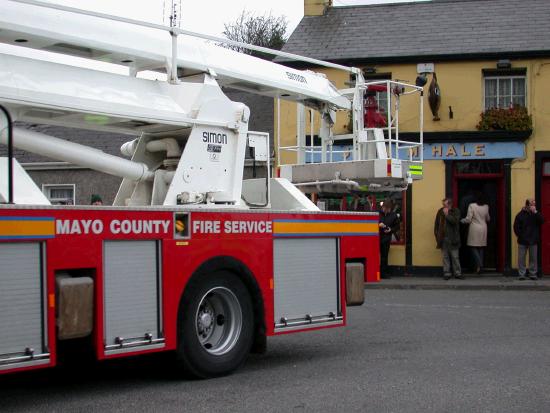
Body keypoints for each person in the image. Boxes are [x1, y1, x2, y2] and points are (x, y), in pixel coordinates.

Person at [513, 198, 544, 280]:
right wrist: (520, 235)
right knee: (521, 258)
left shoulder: (535, 214)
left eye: (534, 204)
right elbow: (516, 227)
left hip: (533, 239)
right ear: (527, 205)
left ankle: (532, 274)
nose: (534, 206)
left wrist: (536, 212)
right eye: (532, 204)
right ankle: (522, 274)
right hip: (522, 240)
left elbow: (542, 221)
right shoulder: (520, 214)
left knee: (533, 258)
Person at [460, 191, 490, 274]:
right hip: (484, 228)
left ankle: (480, 265)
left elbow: (468, 219)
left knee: (472, 247)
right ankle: (479, 267)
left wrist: (461, 220)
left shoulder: (472, 206)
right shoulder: (486, 206)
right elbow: (488, 219)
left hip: (474, 228)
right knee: (481, 247)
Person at [434, 198, 463, 280]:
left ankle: (457, 273)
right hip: (443, 238)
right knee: (445, 257)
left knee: (455, 257)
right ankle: (447, 273)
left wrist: (447, 215)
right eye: (443, 204)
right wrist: (437, 235)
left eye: (445, 205)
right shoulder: (440, 211)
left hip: (453, 238)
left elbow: (455, 221)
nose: (443, 206)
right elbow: (436, 224)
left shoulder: (456, 211)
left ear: (450, 204)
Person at [378, 198, 399, 279]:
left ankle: (383, 273)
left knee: (384, 256)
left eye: (387, 209)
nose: (386, 210)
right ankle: (375, 273)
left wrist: (391, 230)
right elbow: (370, 223)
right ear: (382, 207)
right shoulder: (377, 214)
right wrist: (378, 225)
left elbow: (397, 227)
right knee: (375, 256)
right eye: (384, 208)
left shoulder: (393, 215)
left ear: (390, 208)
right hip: (376, 237)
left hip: (386, 238)